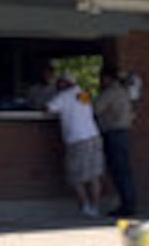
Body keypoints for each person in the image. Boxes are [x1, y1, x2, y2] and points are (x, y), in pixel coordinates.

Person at [44, 71, 106, 218]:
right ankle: (95, 207)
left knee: (75, 175)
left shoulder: (63, 96)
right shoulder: (83, 94)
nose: (57, 85)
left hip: (77, 139)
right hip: (93, 136)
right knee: (94, 175)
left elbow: (48, 108)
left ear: (65, 83)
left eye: (59, 82)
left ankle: (85, 207)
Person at [94, 66, 138, 218]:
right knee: (124, 170)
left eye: (101, 78)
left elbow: (95, 108)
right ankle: (130, 204)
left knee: (119, 171)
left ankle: (127, 206)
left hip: (114, 133)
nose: (100, 81)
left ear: (108, 78)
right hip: (123, 133)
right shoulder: (124, 91)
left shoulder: (110, 92)